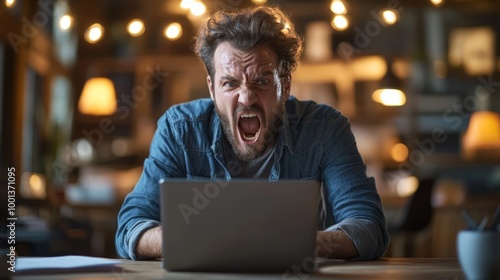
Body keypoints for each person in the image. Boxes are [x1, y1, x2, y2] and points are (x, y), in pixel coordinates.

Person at [116, 5, 389, 261]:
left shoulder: (325, 129)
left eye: (261, 81)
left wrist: (295, 244)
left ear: (286, 85)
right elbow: (130, 227)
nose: (246, 97)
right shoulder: (179, 129)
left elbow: (369, 227)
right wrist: (188, 240)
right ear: (212, 89)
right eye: (230, 83)